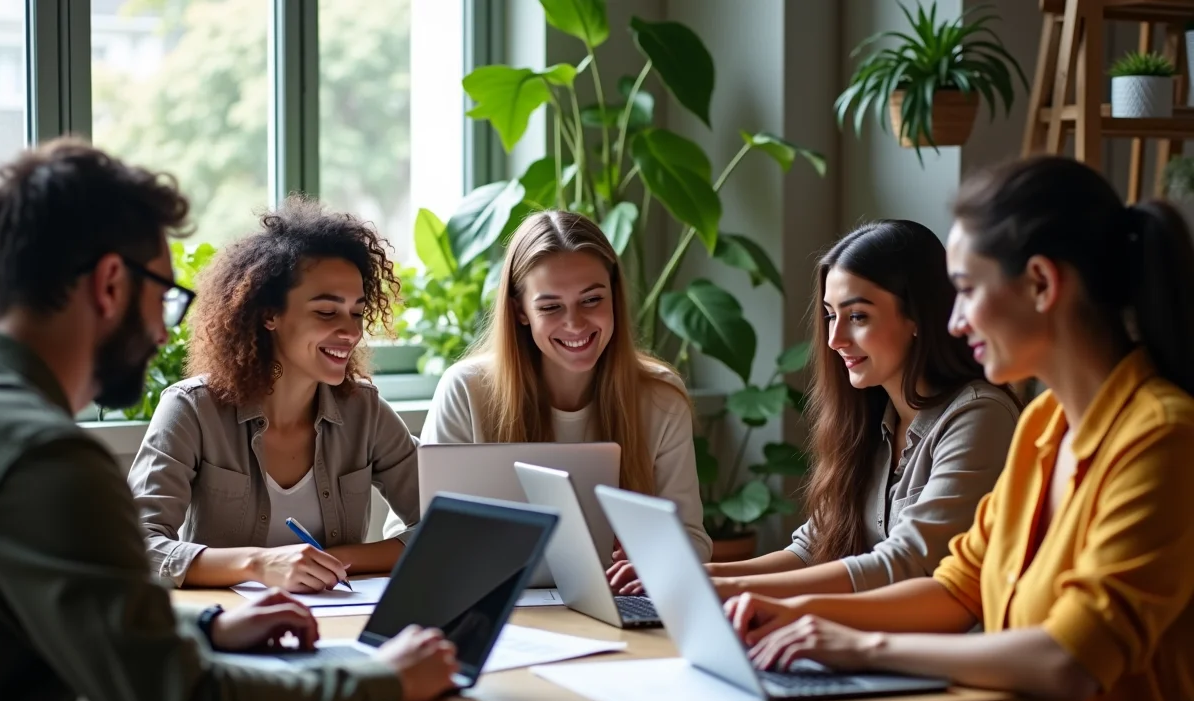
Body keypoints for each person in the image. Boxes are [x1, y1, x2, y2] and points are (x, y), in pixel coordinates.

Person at [0, 138, 458, 701]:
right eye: (163, 295)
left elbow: (85, 612)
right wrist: (385, 679)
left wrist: (205, 627)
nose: (164, 329)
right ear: (111, 284)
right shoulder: (46, 461)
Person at [726, 156, 1194, 701]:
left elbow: (1070, 660)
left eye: (967, 291)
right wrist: (791, 614)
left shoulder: (1162, 437)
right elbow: (954, 590)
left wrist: (860, 645)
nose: (953, 321)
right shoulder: (1042, 426)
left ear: (1041, 284)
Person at [705, 220, 1020, 601]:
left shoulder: (979, 416)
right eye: (830, 315)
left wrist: (733, 588)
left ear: (917, 317)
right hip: (860, 633)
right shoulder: (868, 418)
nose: (834, 339)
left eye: (857, 316)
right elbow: (811, 548)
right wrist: (706, 575)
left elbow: (906, 562)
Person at [394, 210, 713, 576]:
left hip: (615, 597)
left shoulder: (660, 397)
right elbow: (421, 536)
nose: (575, 323)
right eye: (550, 307)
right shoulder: (466, 390)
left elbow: (694, 540)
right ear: (520, 311)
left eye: (591, 300)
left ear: (614, 295)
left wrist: (651, 559)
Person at [130, 195, 419, 592]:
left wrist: (330, 562)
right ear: (269, 315)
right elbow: (137, 547)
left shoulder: (365, 412)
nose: (351, 332)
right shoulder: (192, 409)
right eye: (326, 311)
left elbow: (447, 526)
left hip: (339, 617)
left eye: (357, 312)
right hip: (228, 622)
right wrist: (259, 565)